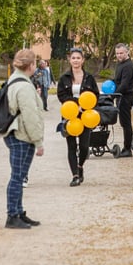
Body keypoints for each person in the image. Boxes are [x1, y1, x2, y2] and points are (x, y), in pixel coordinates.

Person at [0, 49, 46, 229]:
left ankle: (18, 212)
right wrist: (38, 142)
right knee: (17, 177)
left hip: (14, 133)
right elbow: (30, 116)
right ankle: (12, 215)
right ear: (31, 65)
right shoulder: (24, 86)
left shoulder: (15, 80)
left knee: (18, 176)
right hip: (21, 135)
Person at [57, 47, 100, 186]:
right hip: (70, 115)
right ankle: (75, 175)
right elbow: (61, 95)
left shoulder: (89, 78)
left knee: (84, 146)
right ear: (70, 60)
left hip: (85, 116)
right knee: (71, 146)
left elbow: (95, 95)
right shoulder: (64, 78)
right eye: (73, 58)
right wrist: (76, 103)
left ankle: (80, 166)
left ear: (83, 60)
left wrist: (87, 106)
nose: (75, 60)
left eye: (78, 58)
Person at [113, 43, 133, 157]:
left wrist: (114, 94)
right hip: (120, 96)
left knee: (126, 123)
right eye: (117, 53)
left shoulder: (128, 65)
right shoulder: (119, 64)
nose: (119, 55)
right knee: (123, 122)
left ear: (127, 52)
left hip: (126, 96)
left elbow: (125, 84)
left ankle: (127, 148)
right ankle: (126, 147)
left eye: (121, 53)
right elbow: (117, 80)